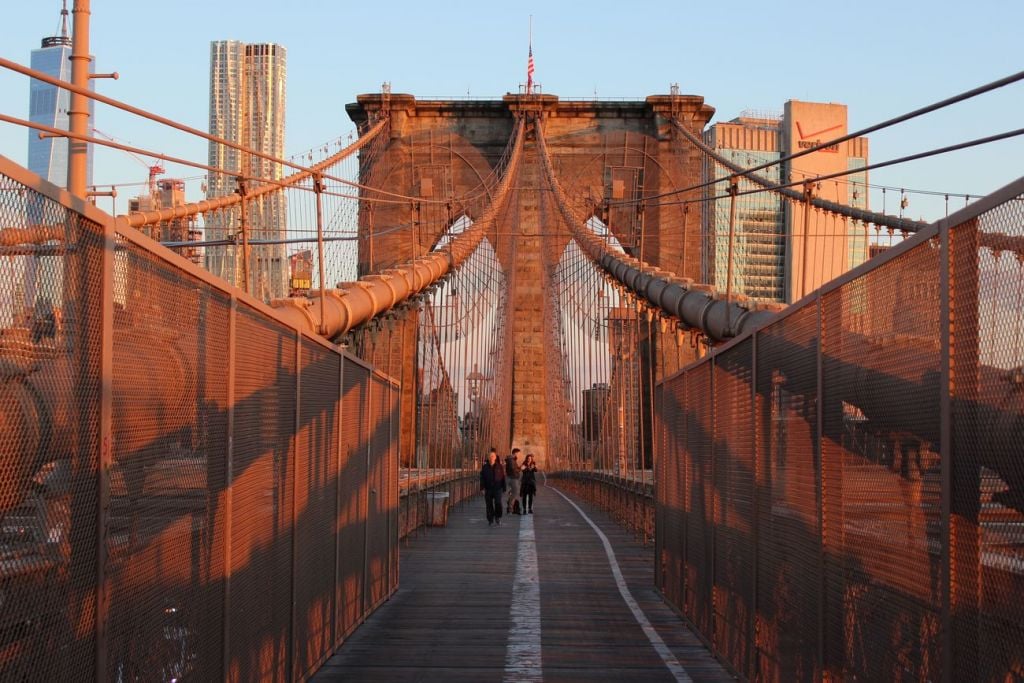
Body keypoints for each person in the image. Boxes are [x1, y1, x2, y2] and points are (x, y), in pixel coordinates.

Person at [479, 448, 506, 526]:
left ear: (495, 457)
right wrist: (482, 488)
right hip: (488, 488)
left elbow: (503, 477)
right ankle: (490, 519)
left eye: (493, 456)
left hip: (498, 488)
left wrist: (504, 487)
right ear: (488, 458)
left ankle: (497, 517)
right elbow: (482, 478)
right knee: (489, 504)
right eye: (490, 456)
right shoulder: (485, 467)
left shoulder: (499, 466)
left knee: (498, 503)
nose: (491, 457)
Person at [504, 448, 522, 514]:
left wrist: (518, 468)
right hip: (513, 478)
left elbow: (513, 468)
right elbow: (513, 469)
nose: (519, 455)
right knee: (515, 492)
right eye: (519, 453)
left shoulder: (511, 459)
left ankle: (510, 505)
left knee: (514, 492)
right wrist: (520, 469)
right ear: (515, 453)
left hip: (512, 477)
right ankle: (510, 507)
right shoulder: (511, 460)